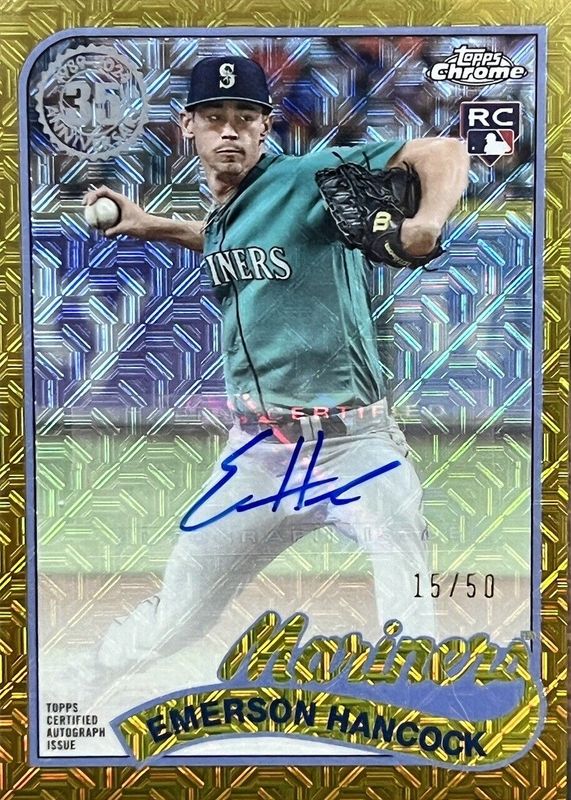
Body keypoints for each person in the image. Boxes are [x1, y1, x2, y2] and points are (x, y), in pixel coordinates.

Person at [83, 56, 469, 678]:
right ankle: (87, 675)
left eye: (244, 117)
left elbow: (444, 151)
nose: (229, 130)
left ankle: (415, 708)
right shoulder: (230, 210)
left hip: (354, 446)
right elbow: (233, 239)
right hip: (257, 455)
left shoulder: (306, 177)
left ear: (265, 126)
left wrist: (425, 223)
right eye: (214, 117)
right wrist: (152, 225)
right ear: (188, 127)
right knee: (176, 621)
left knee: (405, 578)